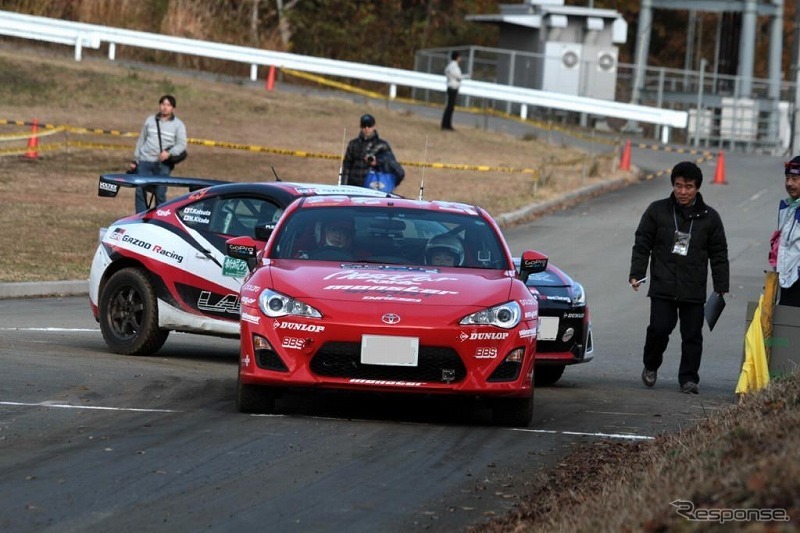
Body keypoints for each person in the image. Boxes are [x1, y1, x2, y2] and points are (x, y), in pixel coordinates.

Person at [629, 161, 729, 394]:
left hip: (693, 287)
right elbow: (642, 243)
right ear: (673, 185)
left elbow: (719, 253)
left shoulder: (710, 218)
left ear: (697, 188)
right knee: (659, 329)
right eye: (678, 186)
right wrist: (637, 273)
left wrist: (721, 285)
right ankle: (651, 365)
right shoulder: (657, 211)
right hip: (663, 284)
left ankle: (688, 379)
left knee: (692, 335)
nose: (683, 192)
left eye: (689, 187)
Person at [130, 94, 187, 212]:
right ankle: (140, 216)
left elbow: (182, 144)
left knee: (160, 193)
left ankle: (159, 217)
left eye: (168, 105)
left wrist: (169, 153)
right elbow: (142, 139)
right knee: (140, 190)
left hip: (163, 163)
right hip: (145, 160)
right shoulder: (150, 120)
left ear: (173, 108)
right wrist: (135, 159)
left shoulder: (178, 125)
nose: (165, 107)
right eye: (163, 104)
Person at [342, 114, 405, 189]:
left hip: (373, 187)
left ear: (374, 126)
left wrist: (377, 162)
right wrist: (344, 187)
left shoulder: (382, 145)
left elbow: (394, 166)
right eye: (364, 126)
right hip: (354, 187)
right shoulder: (353, 144)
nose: (366, 128)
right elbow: (346, 168)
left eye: (369, 126)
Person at [773, 157, 800, 307]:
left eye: (795, 178)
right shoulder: (786, 207)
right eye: (787, 178)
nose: (789, 183)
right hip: (786, 281)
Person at [441, 51, 468, 131]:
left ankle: (446, 124)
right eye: (459, 57)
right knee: (450, 107)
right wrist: (466, 76)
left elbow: (446, 71)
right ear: (457, 57)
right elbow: (458, 76)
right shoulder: (454, 66)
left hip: (450, 86)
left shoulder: (449, 65)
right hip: (453, 87)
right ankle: (446, 125)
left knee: (449, 107)